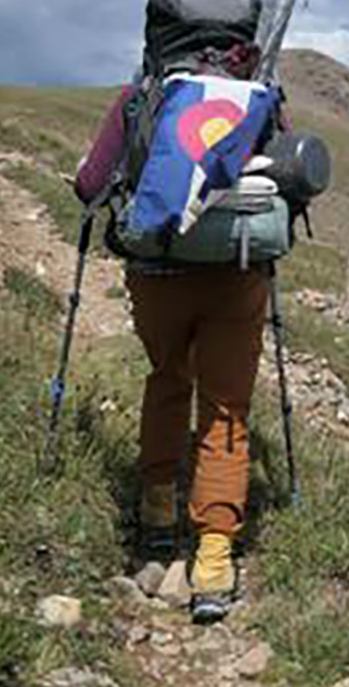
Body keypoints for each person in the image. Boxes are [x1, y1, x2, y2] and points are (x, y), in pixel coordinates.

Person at [74, 49, 271, 625]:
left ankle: (157, 516)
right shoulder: (256, 100)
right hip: (236, 274)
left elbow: (91, 184)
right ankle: (213, 559)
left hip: (156, 271)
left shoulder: (143, 96)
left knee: (167, 378)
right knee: (227, 408)